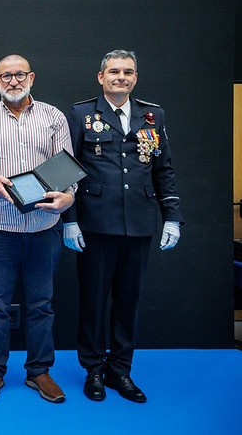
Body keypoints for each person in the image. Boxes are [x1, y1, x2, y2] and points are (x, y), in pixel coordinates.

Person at [63, 49, 183, 403]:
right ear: (101, 77)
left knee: (128, 301)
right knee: (94, 301)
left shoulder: (153, 115)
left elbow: (164, 170)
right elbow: (67, 168)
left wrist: (172, 216)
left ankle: (121, 370)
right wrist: (69, 221)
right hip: (96, 224)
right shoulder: (83, 114)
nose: (121, 77)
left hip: (140, 223)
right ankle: (94, 371)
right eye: (114, 71)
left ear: (135, 78)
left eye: (128, 72)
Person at [0, 54, 74, 403]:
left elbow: (67, 168)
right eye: (5, 76)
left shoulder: (53, 117)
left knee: (41, 303)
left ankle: (39, 371)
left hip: (43, 226)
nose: (12, 81)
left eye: (19, 74)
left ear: (31, 77)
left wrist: (68, 198)